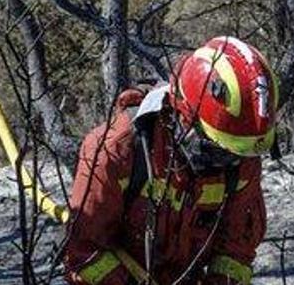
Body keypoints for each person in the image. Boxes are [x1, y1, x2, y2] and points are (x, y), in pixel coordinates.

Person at [65, 36, 277, 284]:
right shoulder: (116, 150)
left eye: (237, 152)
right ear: (184, 118)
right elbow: (83, 254)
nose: (229, 161)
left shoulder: (240, 157)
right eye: (218, 149)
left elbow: (235, 252)